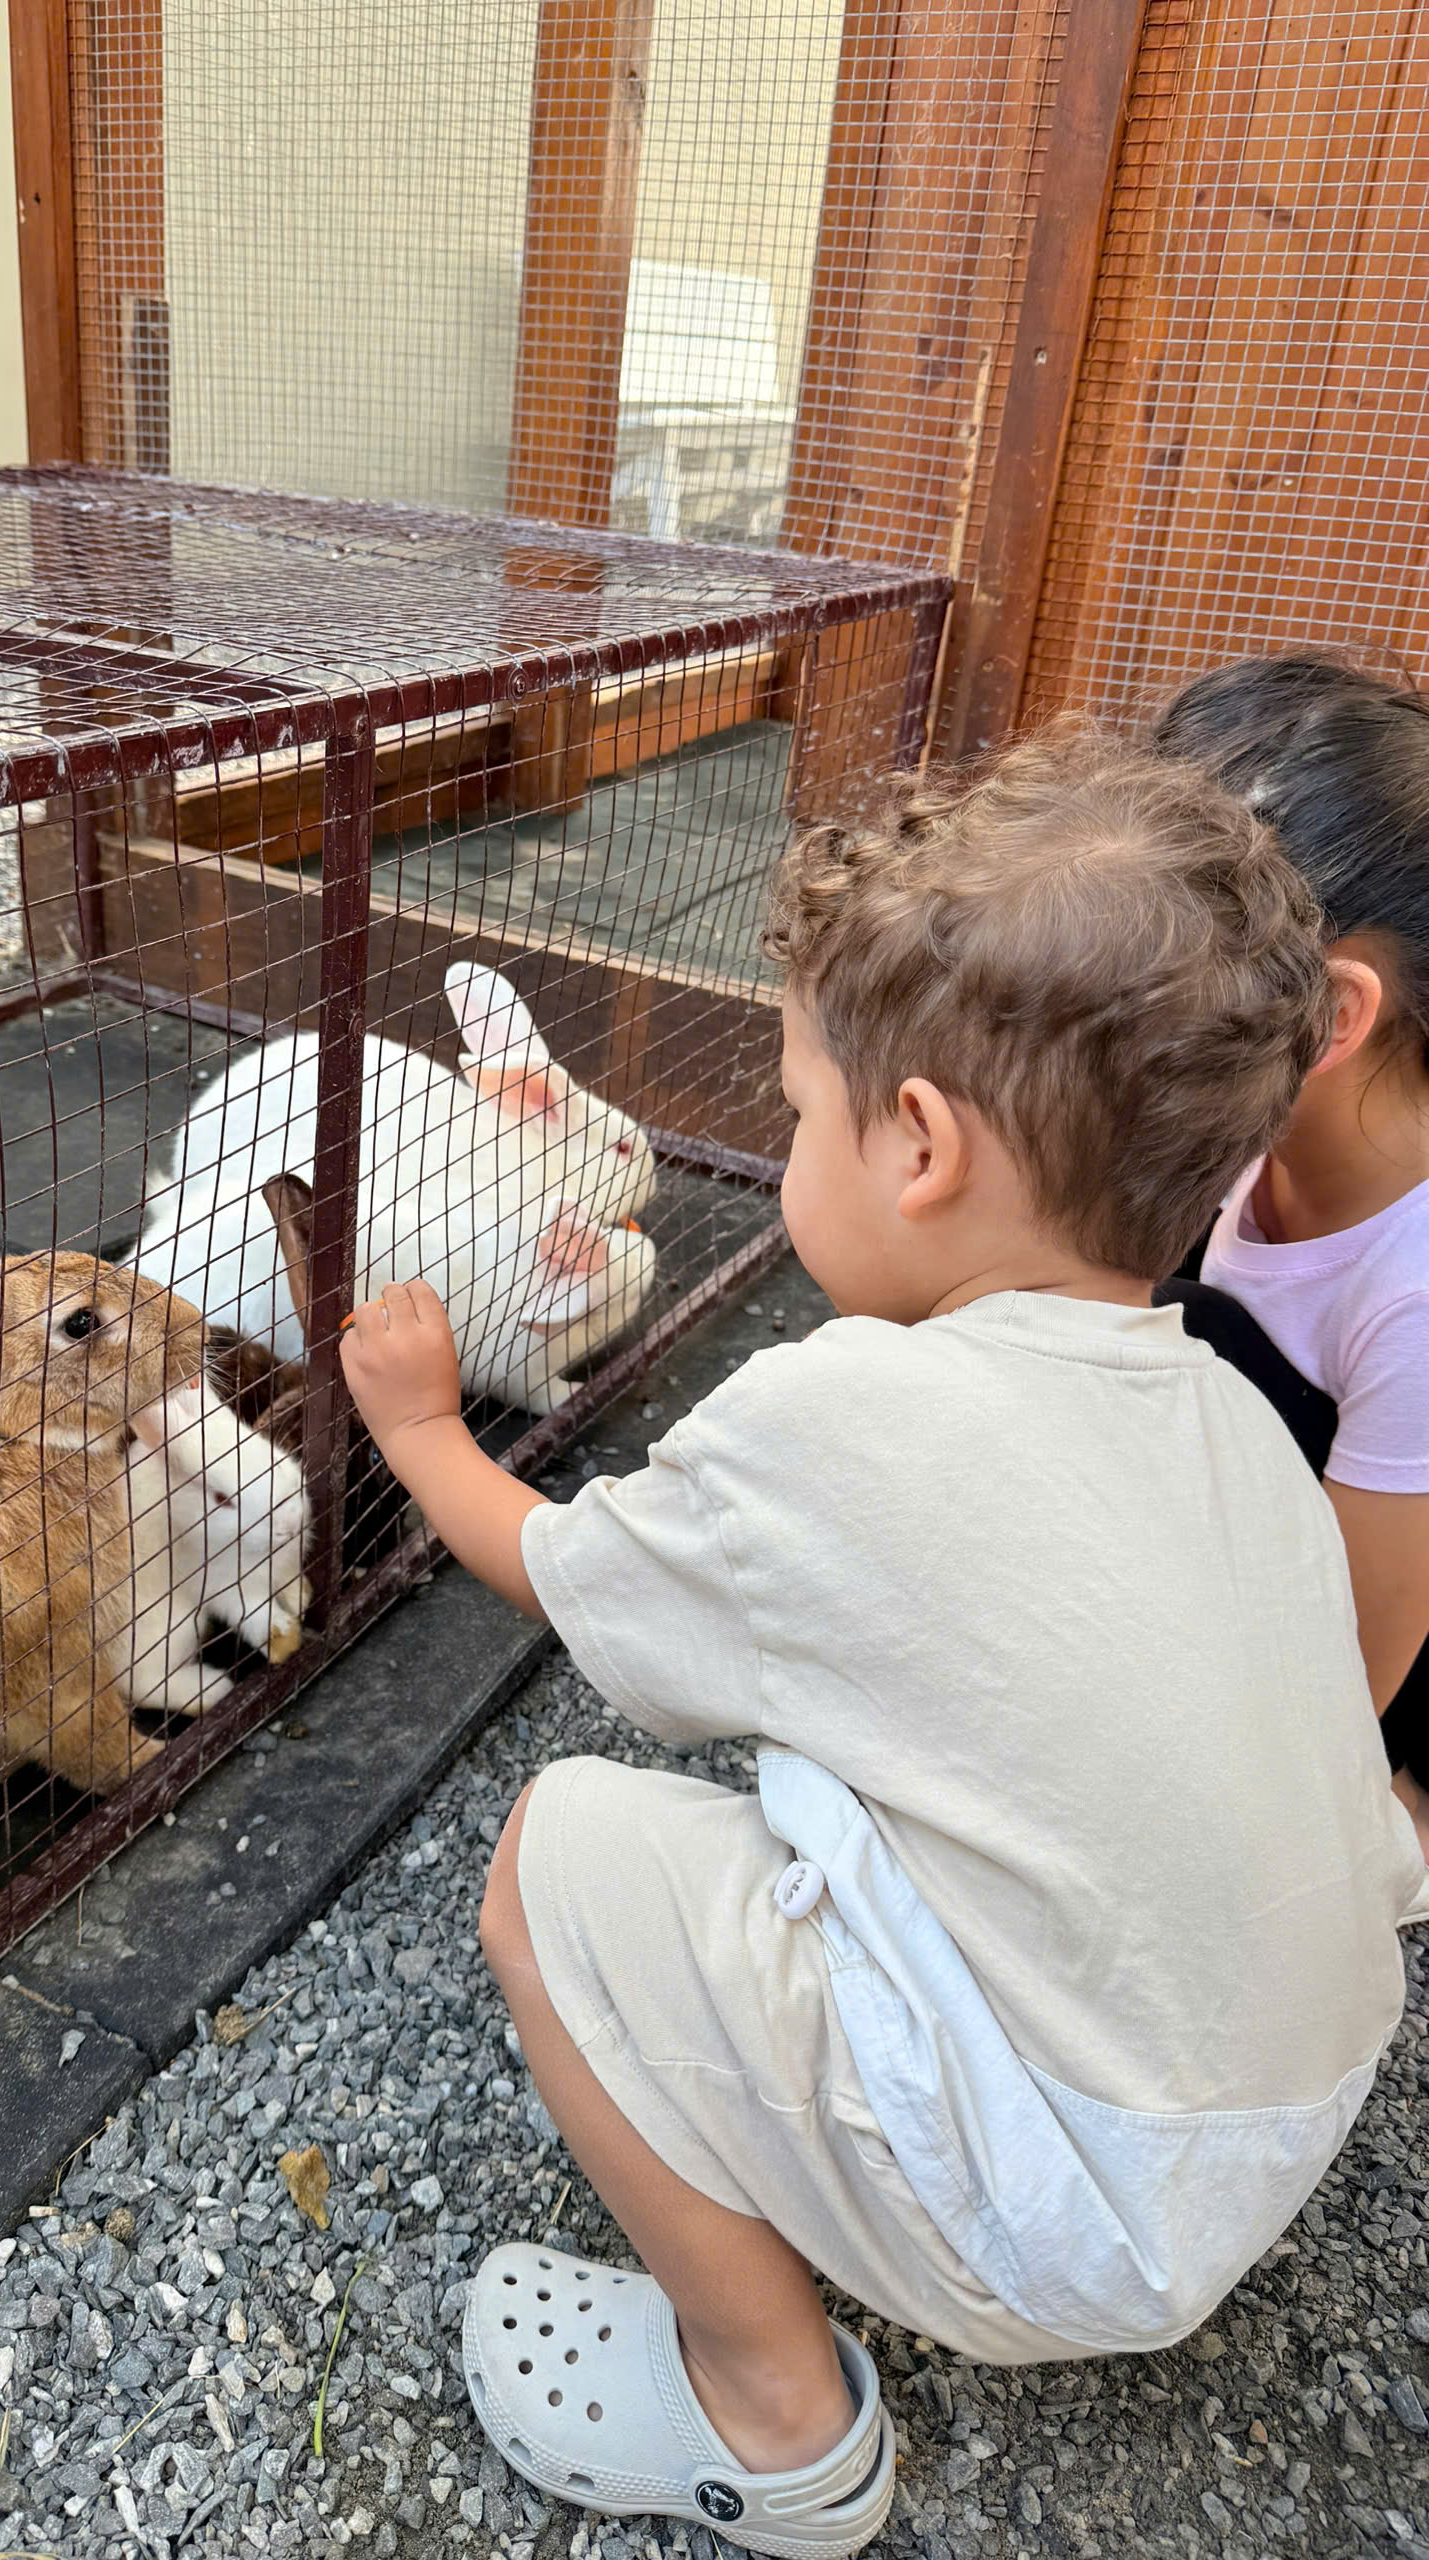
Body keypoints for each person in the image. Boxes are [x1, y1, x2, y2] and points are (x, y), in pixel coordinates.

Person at [337, 725, 1420, 2560]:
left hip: (1081, 2202)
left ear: (916, 1145)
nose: (780, 1143)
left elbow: (567, 1569)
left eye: (789, 1105)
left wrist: (420, 1426)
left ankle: (775, 2427)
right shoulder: (1243, 1424)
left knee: (566, 1858)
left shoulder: (833, 1422)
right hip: (1278, 2114)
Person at [1152, 657, 1429, 1866]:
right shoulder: (1236, 1128)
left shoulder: (1415, 1289)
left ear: (1326, 1013)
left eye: (1160, 926)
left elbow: (1362, 1655)